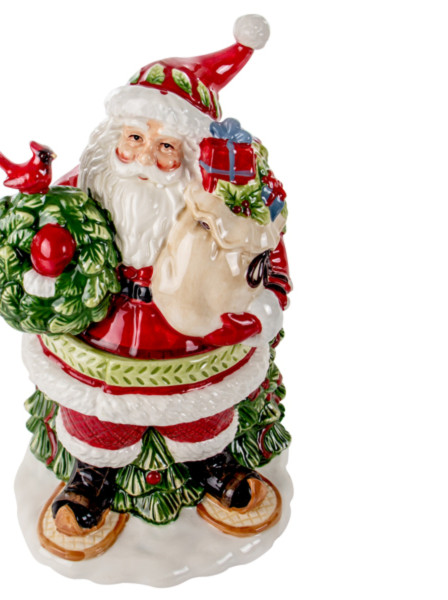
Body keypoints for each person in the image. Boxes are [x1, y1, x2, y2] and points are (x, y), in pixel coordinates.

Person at [22, 14, 292, 537]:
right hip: (102, 328)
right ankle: (93, 473)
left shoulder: (221, 208)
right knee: (98, 409)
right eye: (135, 137)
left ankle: (210, 462)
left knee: (200, 409)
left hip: (191, 335)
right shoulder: (86, 187)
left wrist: (265, 305)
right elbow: (43, 235)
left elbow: (267, 256)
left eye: (166, 147)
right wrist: (44, 270)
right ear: (114, 138)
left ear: (190, 158)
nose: (145, 157)